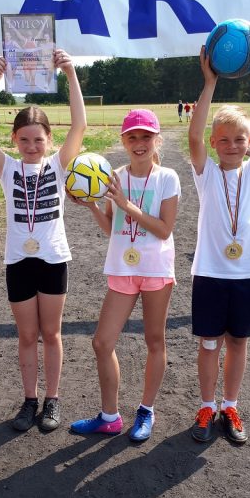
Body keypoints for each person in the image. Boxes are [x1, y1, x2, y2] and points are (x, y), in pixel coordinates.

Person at [0, 49, 86, 432]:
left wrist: (70, 74)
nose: (32, 145)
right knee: (26, 336)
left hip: (53, 259)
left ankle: (52, 400)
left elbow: (79, 127)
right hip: (18, 261)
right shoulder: (7, 167)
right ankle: (29, 400)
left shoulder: (58, 164)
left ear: (49, 139)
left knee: (51, 334)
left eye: (38, 139)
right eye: (24, 140)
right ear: (15, 140)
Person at [188, 44, 250, 444]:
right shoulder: (205, 173)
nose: (232, 145)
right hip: (210, 273)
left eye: (239, 139)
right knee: (209, 344)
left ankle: (230, 403)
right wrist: (209, 83)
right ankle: (207, 405)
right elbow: (193, 133)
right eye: (224, 139)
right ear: (215, 144)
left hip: (247, 274)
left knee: (238, 343)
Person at [69, 109, 180, 442]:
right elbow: (112, 229)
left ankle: (146, 410)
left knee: (154, 340)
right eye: (132, 137)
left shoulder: (167, 178)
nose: (139, 143)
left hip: (155, 270)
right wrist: (90, 204)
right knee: (102, 342)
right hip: (122, 269)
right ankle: (110, 417)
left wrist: (128, 206)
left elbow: (164, 229)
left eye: (146, 137)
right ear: (123, 141)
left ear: (156, 140)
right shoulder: (112, 176)